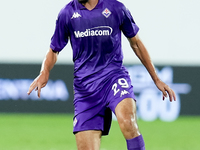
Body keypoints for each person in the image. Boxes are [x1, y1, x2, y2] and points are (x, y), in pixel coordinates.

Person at [27, 0, 176, 149]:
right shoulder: (67, 13)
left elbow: (136, 42)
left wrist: (156, 78)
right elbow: (54, 50)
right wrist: (44, 72)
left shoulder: (116, 8)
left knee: (128, 122)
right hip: (85, 89)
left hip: (114, 78)